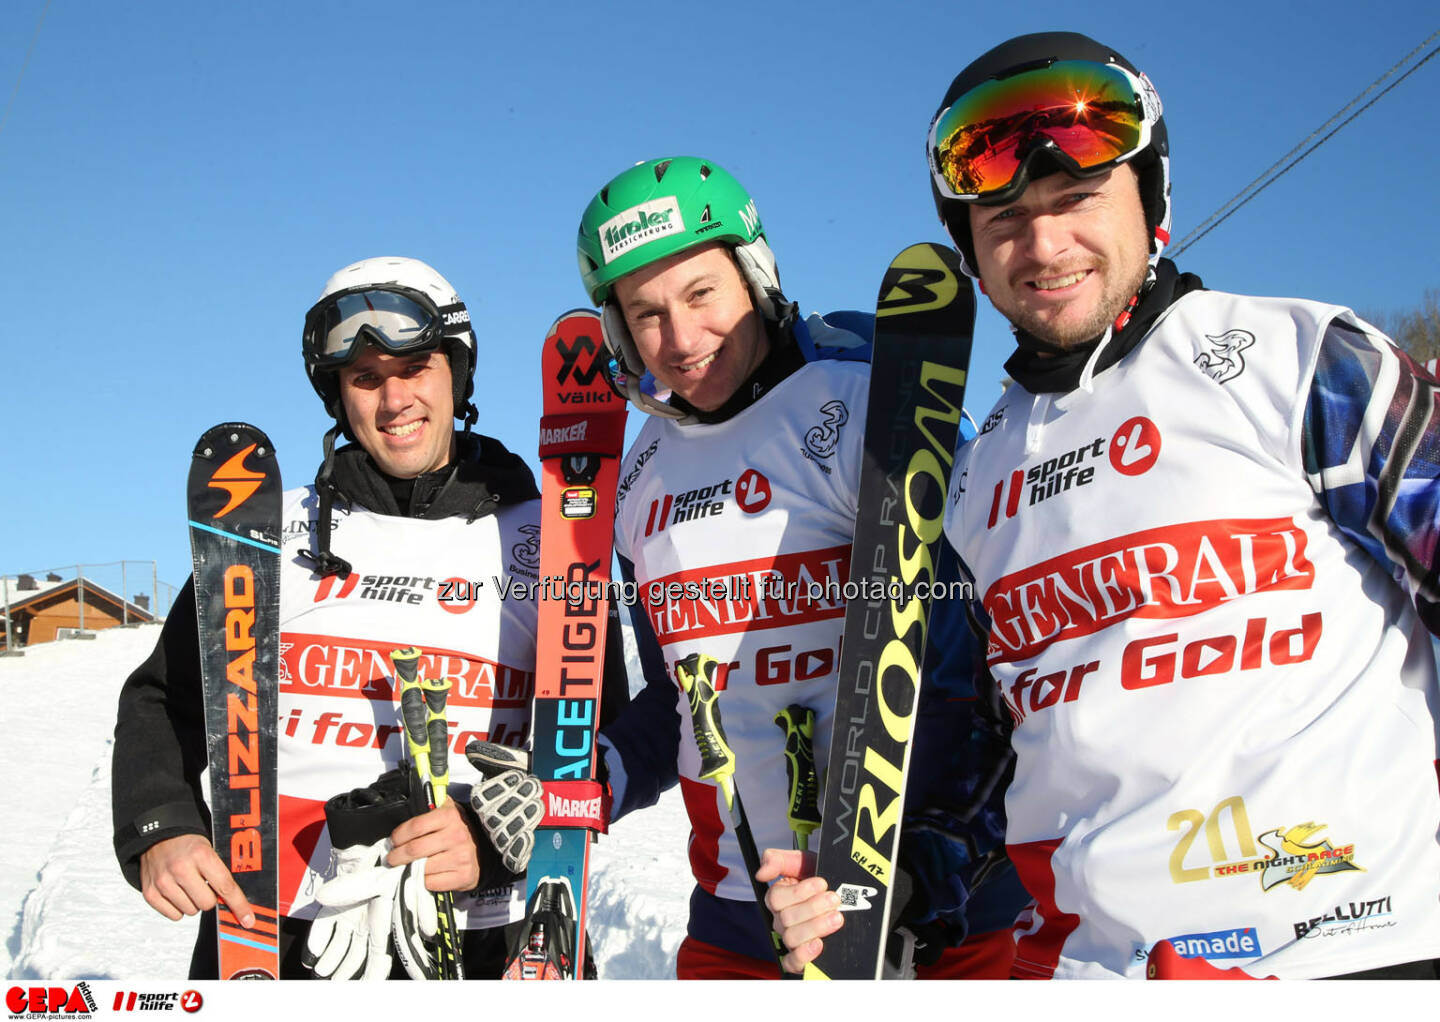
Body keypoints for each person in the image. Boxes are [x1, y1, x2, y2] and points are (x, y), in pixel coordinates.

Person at [763, 31, 1440, 980]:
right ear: (969, 247)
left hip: (1360, 952)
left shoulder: (1304, 362)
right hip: (1096, 971)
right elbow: (978, 765)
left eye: (1078, 198)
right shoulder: (970, 480)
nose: (1043, 245)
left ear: (1150, 197)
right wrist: (890, 883)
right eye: (1001, 217)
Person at [542, 155, 1023, 978]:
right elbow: (677, 698)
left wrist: (922, 871)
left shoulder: (861, 397)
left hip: (919, 903)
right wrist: (595, 780)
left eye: (701, 294)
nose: (682, 339)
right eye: (646, 314)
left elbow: (974, 664)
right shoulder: (641, 477)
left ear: (755, 275)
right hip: (738, 911)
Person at [112, 256, 626, 979]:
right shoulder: (267, 534)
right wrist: (159, 825)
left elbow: (600, 738)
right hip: (283, 928)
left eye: (414, 367)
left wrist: (505, 830)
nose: (393, 400)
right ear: (337, 397)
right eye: (365, 379)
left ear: (458, 373)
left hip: (491, 925)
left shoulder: (551, 541)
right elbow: (163, 699)